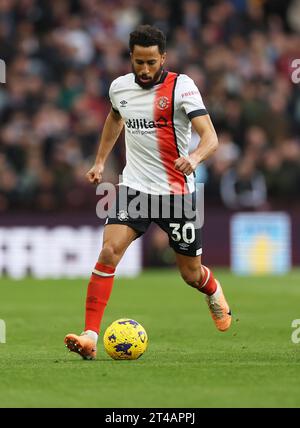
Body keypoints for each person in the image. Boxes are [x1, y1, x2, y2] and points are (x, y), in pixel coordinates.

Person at [65, 25, 232, 360]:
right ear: (130, 57)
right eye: (139, 61)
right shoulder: (119, 88)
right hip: (134, 189)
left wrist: (195, 157)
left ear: (163, 58)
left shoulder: (182, 87)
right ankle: (89, 336)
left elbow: (210, 137)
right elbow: (115, 120)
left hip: (177, 194)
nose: (144, 69)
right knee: (109, 252)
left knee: (190, 274)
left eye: (151, 62)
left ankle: (212, 289)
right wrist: (100, 162)